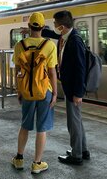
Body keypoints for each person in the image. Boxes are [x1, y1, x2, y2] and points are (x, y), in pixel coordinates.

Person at [41, 10, 90, 165]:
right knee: (77, 120)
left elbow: (80, 69)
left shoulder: (74, 41)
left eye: (55, 24)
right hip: (71, 87)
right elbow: (53, 35)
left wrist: (77, 93)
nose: (54, 26)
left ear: (61, 26)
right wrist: (37, 30)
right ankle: (83, 150)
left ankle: (76, 156)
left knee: (73, 122)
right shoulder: (66, 36)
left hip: (73, 90)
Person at [11, 12, 58, 174]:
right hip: (44, 91)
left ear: (29, 27)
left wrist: (19, 90)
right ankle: (37, 163)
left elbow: (17, 71)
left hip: (26, 91)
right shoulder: (49, 46)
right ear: (43, 27)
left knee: (25, 125)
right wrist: (55, 94)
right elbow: (52, 73)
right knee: (41, 128)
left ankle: (19, 159)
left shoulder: (19, 45)